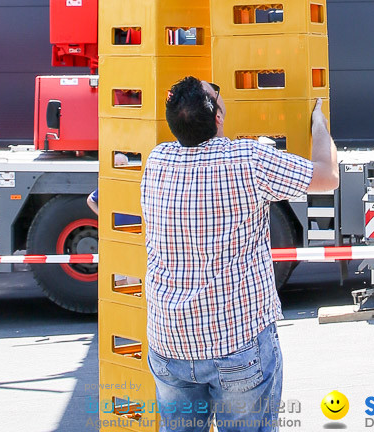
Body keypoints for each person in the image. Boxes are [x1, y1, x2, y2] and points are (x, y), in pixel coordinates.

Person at [140, 79, 338, 431]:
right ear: (218, 117)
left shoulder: (157, 162)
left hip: (168, 342)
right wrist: (319, 124)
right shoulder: (248, 160)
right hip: (236, 344)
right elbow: (327, 176)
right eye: (216, 91)